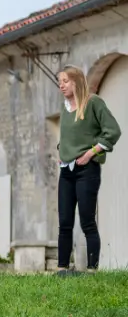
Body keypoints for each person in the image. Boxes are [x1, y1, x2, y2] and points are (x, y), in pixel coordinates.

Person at [55, 65, 121, 275]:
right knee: (64, 222)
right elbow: (68, 137)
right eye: (59, 82)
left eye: (65, 81)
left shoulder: (93, 103)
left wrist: (91, 152)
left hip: (87, 171)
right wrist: (61, 151)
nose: (61, 86)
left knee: (87, 221)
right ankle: (62, 269)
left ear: (76, 81)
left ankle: (92, 270)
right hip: (66, 171)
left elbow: (113, 131)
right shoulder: (65, 108)